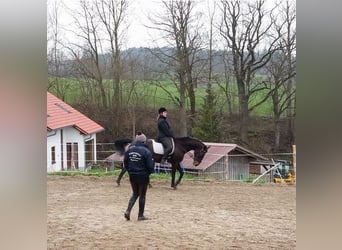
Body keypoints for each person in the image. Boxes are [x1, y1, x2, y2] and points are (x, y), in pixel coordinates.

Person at [123, 132, 154, 221]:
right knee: (142, 195)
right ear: (144, 142)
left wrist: (130, 171)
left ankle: (128, 211)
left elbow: (126, 163)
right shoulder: (146, 151)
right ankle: (140, 215)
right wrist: (149, 173)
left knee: (135, 193)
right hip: (143, 176)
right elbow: (150, 166)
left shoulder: (129, 150)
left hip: (132, 175)